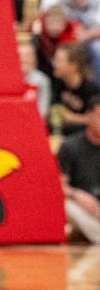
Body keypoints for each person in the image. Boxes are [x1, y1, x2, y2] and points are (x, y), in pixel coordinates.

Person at [60, 94, 100, 244]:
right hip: (83, 207)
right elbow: (59, 186)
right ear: (88, 116)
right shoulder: (70, 146)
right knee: (67, 207)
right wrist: (78, 195)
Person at [53, 43, 99, 137]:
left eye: (59, 60)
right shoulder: (58, 83)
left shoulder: (91, 89)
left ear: (74, 66)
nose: (54, 64)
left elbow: (96, 119)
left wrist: (73, 118)